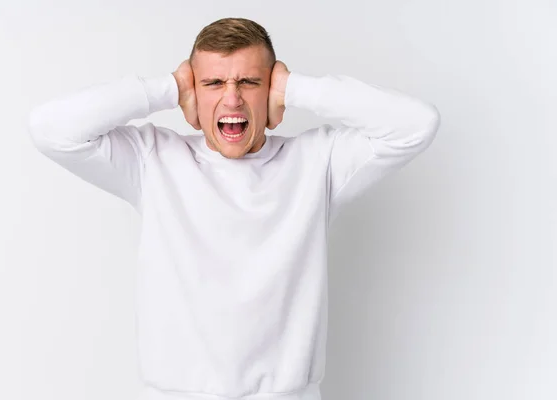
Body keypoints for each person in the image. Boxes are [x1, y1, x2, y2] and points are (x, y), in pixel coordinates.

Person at [28, 17, 440, 400]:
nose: (232, 97)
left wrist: (297, 89)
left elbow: (416, 125)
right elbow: (50, 130)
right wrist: (168, 88)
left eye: (248, 81)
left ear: (270, 91)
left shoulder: (318, 162)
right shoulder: (152, 159)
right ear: (194, 92)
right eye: (212, 83)